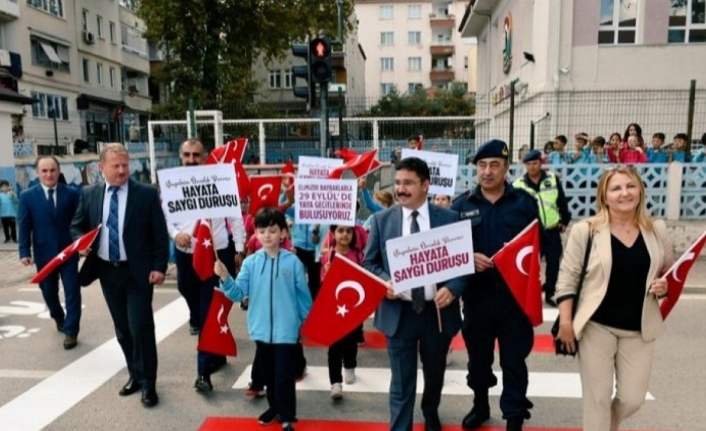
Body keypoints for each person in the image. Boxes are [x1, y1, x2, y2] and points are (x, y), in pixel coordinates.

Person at [554, 166, 674, 431]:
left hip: (639, 329)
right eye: (616, 188)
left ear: (640, 191)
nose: (624, 193)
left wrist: (664, 287)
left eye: (630, 186)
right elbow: (567, 279)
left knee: (632, 399)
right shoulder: (586, 231)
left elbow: (670, 274)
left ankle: (605, 424)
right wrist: (565, 323)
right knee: (596, 399)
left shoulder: (657, 229)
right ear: (604, 196)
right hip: (597, 326)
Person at [363, 156, 465, 431]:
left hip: (437, 315)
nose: (401, 189)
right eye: (397, 182)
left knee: (435, 373)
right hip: (399, 315)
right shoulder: (382, 220)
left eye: (408, 183)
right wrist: (385, 282)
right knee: (401, 382)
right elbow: (369, 263)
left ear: (425, 185)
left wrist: (452, 288)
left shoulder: (449, 218)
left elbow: (463, 266)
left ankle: (430, 409)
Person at [70, 143, 169, 408]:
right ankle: (134, 375)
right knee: (123, 330)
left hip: (138, 273)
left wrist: (160, 266)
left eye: (125, 165)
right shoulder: (89, 193)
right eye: (116, 166)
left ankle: (149, 383)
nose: (122, 170)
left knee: (140, 327)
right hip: (106, 271)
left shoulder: (146, 194)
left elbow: (159, 233)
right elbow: (76, 226)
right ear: (102, 167)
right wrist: (82, 242)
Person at [451, 139, 539, 431]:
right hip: (477, 299)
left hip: (514, 300)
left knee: (514, 361)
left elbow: (536, 245)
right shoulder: (461, 205)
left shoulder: (525, 203)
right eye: (482, 165)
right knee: (478, 360)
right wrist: (468, 257)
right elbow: (448, 252)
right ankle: (480, 405)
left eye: (494, 165)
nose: (487, 172)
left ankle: (514, 418)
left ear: (506, 168)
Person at [215, 207, 311, 431]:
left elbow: (303, 298)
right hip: (260, 330)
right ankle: (274, 407)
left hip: (287, 330)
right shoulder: (250, 263)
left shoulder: (293, 263)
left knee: (284, 376)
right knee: (268, 375)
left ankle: (287, 417)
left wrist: (305, 324)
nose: (267, 235)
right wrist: (225, 277)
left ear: (283, 234)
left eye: (273, 230)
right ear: (255, 234)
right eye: (262, 230)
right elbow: (239, 293)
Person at [165, 139, 246, 393]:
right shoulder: (172, 183)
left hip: (217, 254)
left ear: (204, 157)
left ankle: (202, 373)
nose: (191, 159)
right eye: (186, 154)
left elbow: (236, 217)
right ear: (181, 156)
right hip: (186, 253)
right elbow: (166, 216)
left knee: (209, 312)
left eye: (196, 155)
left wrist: (241, 248)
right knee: (190, 296)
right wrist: (175, 234)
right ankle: (216, 352)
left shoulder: (220, 180)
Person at [17, 157, 81, 349]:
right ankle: (58, 317)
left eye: (52, 170)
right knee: (48, 292)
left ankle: (71, 330)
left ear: (58, 171)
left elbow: (79, 220)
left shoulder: (71, 194)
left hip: (68, 252)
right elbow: (24, 225)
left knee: (72, 292)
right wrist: (24, 251)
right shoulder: (28, 196)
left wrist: (83, 242)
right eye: (44, 171)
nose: (49, 174)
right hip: (44, 254)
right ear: (38, 173)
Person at [512, 150, 571, 307]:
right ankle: (527, 293)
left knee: (553, 263)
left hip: (551, 230)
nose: (531, 167)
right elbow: (514, 210)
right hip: (531, 232)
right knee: (529, 264)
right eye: (528, 164)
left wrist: (564, 220)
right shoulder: (518, 185)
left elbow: (561, 201)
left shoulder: (551, 179)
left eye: (535, 163)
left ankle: (551, 292)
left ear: (541, 163)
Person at [320, 224, 364, 400]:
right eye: (340, 231)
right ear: (333, 234)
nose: (344, 234)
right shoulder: (327, 257)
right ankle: (335, 382)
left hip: (354, 307)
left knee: (351, 341)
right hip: (334, 308)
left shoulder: (359, 256)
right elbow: (323, 284)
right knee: (334, 345)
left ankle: (350, 365)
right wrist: (328, 272)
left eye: (348, 231)